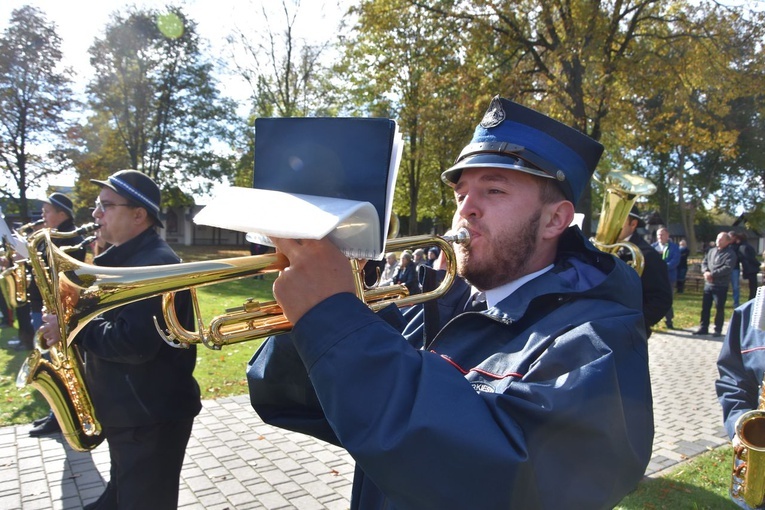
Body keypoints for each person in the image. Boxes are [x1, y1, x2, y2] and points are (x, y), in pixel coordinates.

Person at [247, 96, 653, 509]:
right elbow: (295, 402)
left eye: (493, 190)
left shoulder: (598, 339)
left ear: (555, 220)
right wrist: (311, 320)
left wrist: (332, 318)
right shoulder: (436, 303)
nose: (466, 211)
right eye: (461, 194)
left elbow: (502, 480)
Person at [40, 170, 201, 510]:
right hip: (133, 413)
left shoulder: (153, 265)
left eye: (106, 206)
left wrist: (71, 325)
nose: (96, 215)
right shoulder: (127, 260)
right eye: (98, 207)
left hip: (148, 418)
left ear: (138, 214)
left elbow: (133, 343)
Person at [28, 192, 87, 437]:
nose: (42, 216)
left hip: (59, 312)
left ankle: (62, 417)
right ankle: (57, 413)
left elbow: (66, 274)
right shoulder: (52, 235)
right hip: (46, 309)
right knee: (56, 363)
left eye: (46, 211)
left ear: (62, 213)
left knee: (62, 365)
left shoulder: (70, 237)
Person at [618, 206, 672, 337]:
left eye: (619, 218)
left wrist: (633, 322)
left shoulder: (647, 255)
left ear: (633, 224)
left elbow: (661, 300)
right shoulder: (602, 250)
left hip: (627, 334)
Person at [695, 231, 736, 337]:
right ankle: (703, 327)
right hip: (708, 284)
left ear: (727, 241)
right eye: (717, 238)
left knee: (719, 307)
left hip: (720, 285)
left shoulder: (730, 254)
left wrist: (712, 274)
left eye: (721, 239)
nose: (718, 241)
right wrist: (705, 272)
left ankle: (718, 329)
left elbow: (727, 268)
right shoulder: (711, 251)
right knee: (705, 307)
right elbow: (704, 262)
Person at [652, 226, 680, 329]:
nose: (660, 236)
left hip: (668, 278)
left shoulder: (674, 247)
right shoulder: (652, 247)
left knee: (667, 299)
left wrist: (662, 267)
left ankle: (669, 321)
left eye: (662, 234)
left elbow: (675, 261)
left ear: (667, 235)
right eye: (658, 234)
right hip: (655, 278)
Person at [731, 231, 760, 304]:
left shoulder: (742, 246)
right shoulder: (744, 247)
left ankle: (752, 299)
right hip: (751, 268)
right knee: (753, 286)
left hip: (749, 268)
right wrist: (758, 263)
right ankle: (752, 299)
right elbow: (750, 258)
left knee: (753, 286)